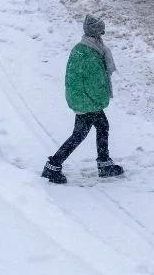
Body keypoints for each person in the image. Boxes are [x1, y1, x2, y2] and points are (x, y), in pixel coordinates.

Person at [42, 15, 123, 184]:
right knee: (80, 134)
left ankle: (103, 163)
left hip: (83, 99)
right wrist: (98, 101)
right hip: (87, 101)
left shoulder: (83, 48)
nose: (102, 34)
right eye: (101, 31)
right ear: (96, 32)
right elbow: (95, 82)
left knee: (100, 127)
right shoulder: (90, 53)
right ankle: (53, 166)